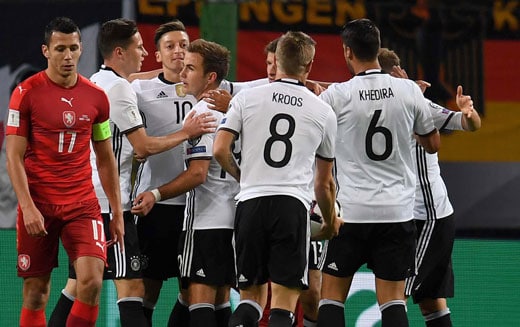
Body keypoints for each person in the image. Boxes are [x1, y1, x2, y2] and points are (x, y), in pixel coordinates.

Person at [48, 18, 215, 327]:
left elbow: (137, 78)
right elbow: (143, 147)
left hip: (84, 197)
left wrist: (169, 73)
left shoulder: (97, 80)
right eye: (139, 47)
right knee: (133, 289)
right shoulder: (123, 90)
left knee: (80, 285)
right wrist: (185, 132)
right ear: (120, 52)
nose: (142, 52)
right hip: (110, 204)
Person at [316, 18, 440, 327]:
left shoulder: (337, 96)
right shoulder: (408, 91)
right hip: (397, 213)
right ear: (377, 47)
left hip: (351, 214)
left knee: (331, 297)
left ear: (347, 52)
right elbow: (433, 144)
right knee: (393, 301)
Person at [214, 30, 340, 327]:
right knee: (284, 306)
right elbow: (324, 183)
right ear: (308, 67)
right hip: (292, 208)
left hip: (251, 203)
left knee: (250, 302)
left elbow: (220, 148)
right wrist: (331, 220)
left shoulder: (247, 97)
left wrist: (242, 176)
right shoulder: (322, 111)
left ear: (277, 61)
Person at [5, 17, 125, 327]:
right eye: (60, 49)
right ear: (46, 51)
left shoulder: (97, 98)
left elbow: (104, 157)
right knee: (36, 294)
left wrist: (117, 211)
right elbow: (13, 156)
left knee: (92, 281)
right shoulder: (25, 94)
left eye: (73, 48)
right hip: (39, 205)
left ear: (81, 48)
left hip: (82, 205)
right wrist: (28, 207)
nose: (68, 56)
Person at [132, 38, 237, 327]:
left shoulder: (200, 114)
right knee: (217, 299)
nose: (182, 73)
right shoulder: (239, 109)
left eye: (190, 68)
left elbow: (197, 174)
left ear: (211, 77)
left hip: (205, 219)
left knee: (200, 300)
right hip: (235, 218)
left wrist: (155, 192)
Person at [378, 47, 481, 327]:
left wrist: (468, 113)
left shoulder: (420, 107)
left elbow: (469, 124)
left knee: (394, 295)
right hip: (413, 215)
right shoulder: (376, 105)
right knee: (431, 302)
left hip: (428, 217)